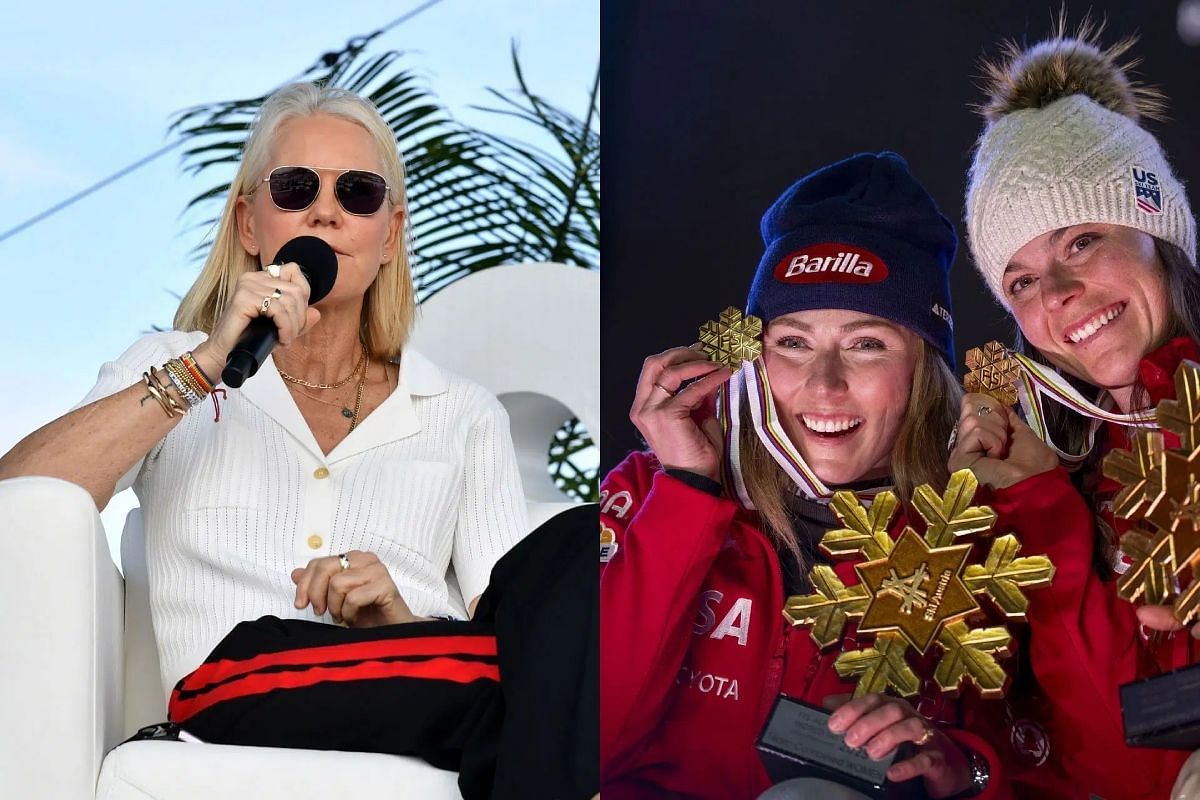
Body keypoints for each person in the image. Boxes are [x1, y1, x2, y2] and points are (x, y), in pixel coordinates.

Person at [0, 82, 596, 800]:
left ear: (391, 234)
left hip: (410, 711)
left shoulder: (461, 412)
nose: (326, 210)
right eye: (295, 187)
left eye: (358, 193)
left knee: (579, 545)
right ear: (250, 224)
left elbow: (515, 631)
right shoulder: (174, 361)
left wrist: (398, 623)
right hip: (228, 695)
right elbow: (23, 492)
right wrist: (205, 366)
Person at [600, 152, 1025, 799]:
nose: (824, 386)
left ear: (922, 368)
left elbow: (1037, 762)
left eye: (866, 344)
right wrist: (686, 494)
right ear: (750, 359)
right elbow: (584, 742)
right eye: (793, 343)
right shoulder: (645, 494)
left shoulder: (979, 537)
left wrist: (955, 767)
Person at [959, 24, 1200, 799]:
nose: (1057, 294)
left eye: (1083, 240)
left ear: (1159, 234)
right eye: (1021, 282)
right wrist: (1037, 507)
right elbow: (1122, 759)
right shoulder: (1062, 455)